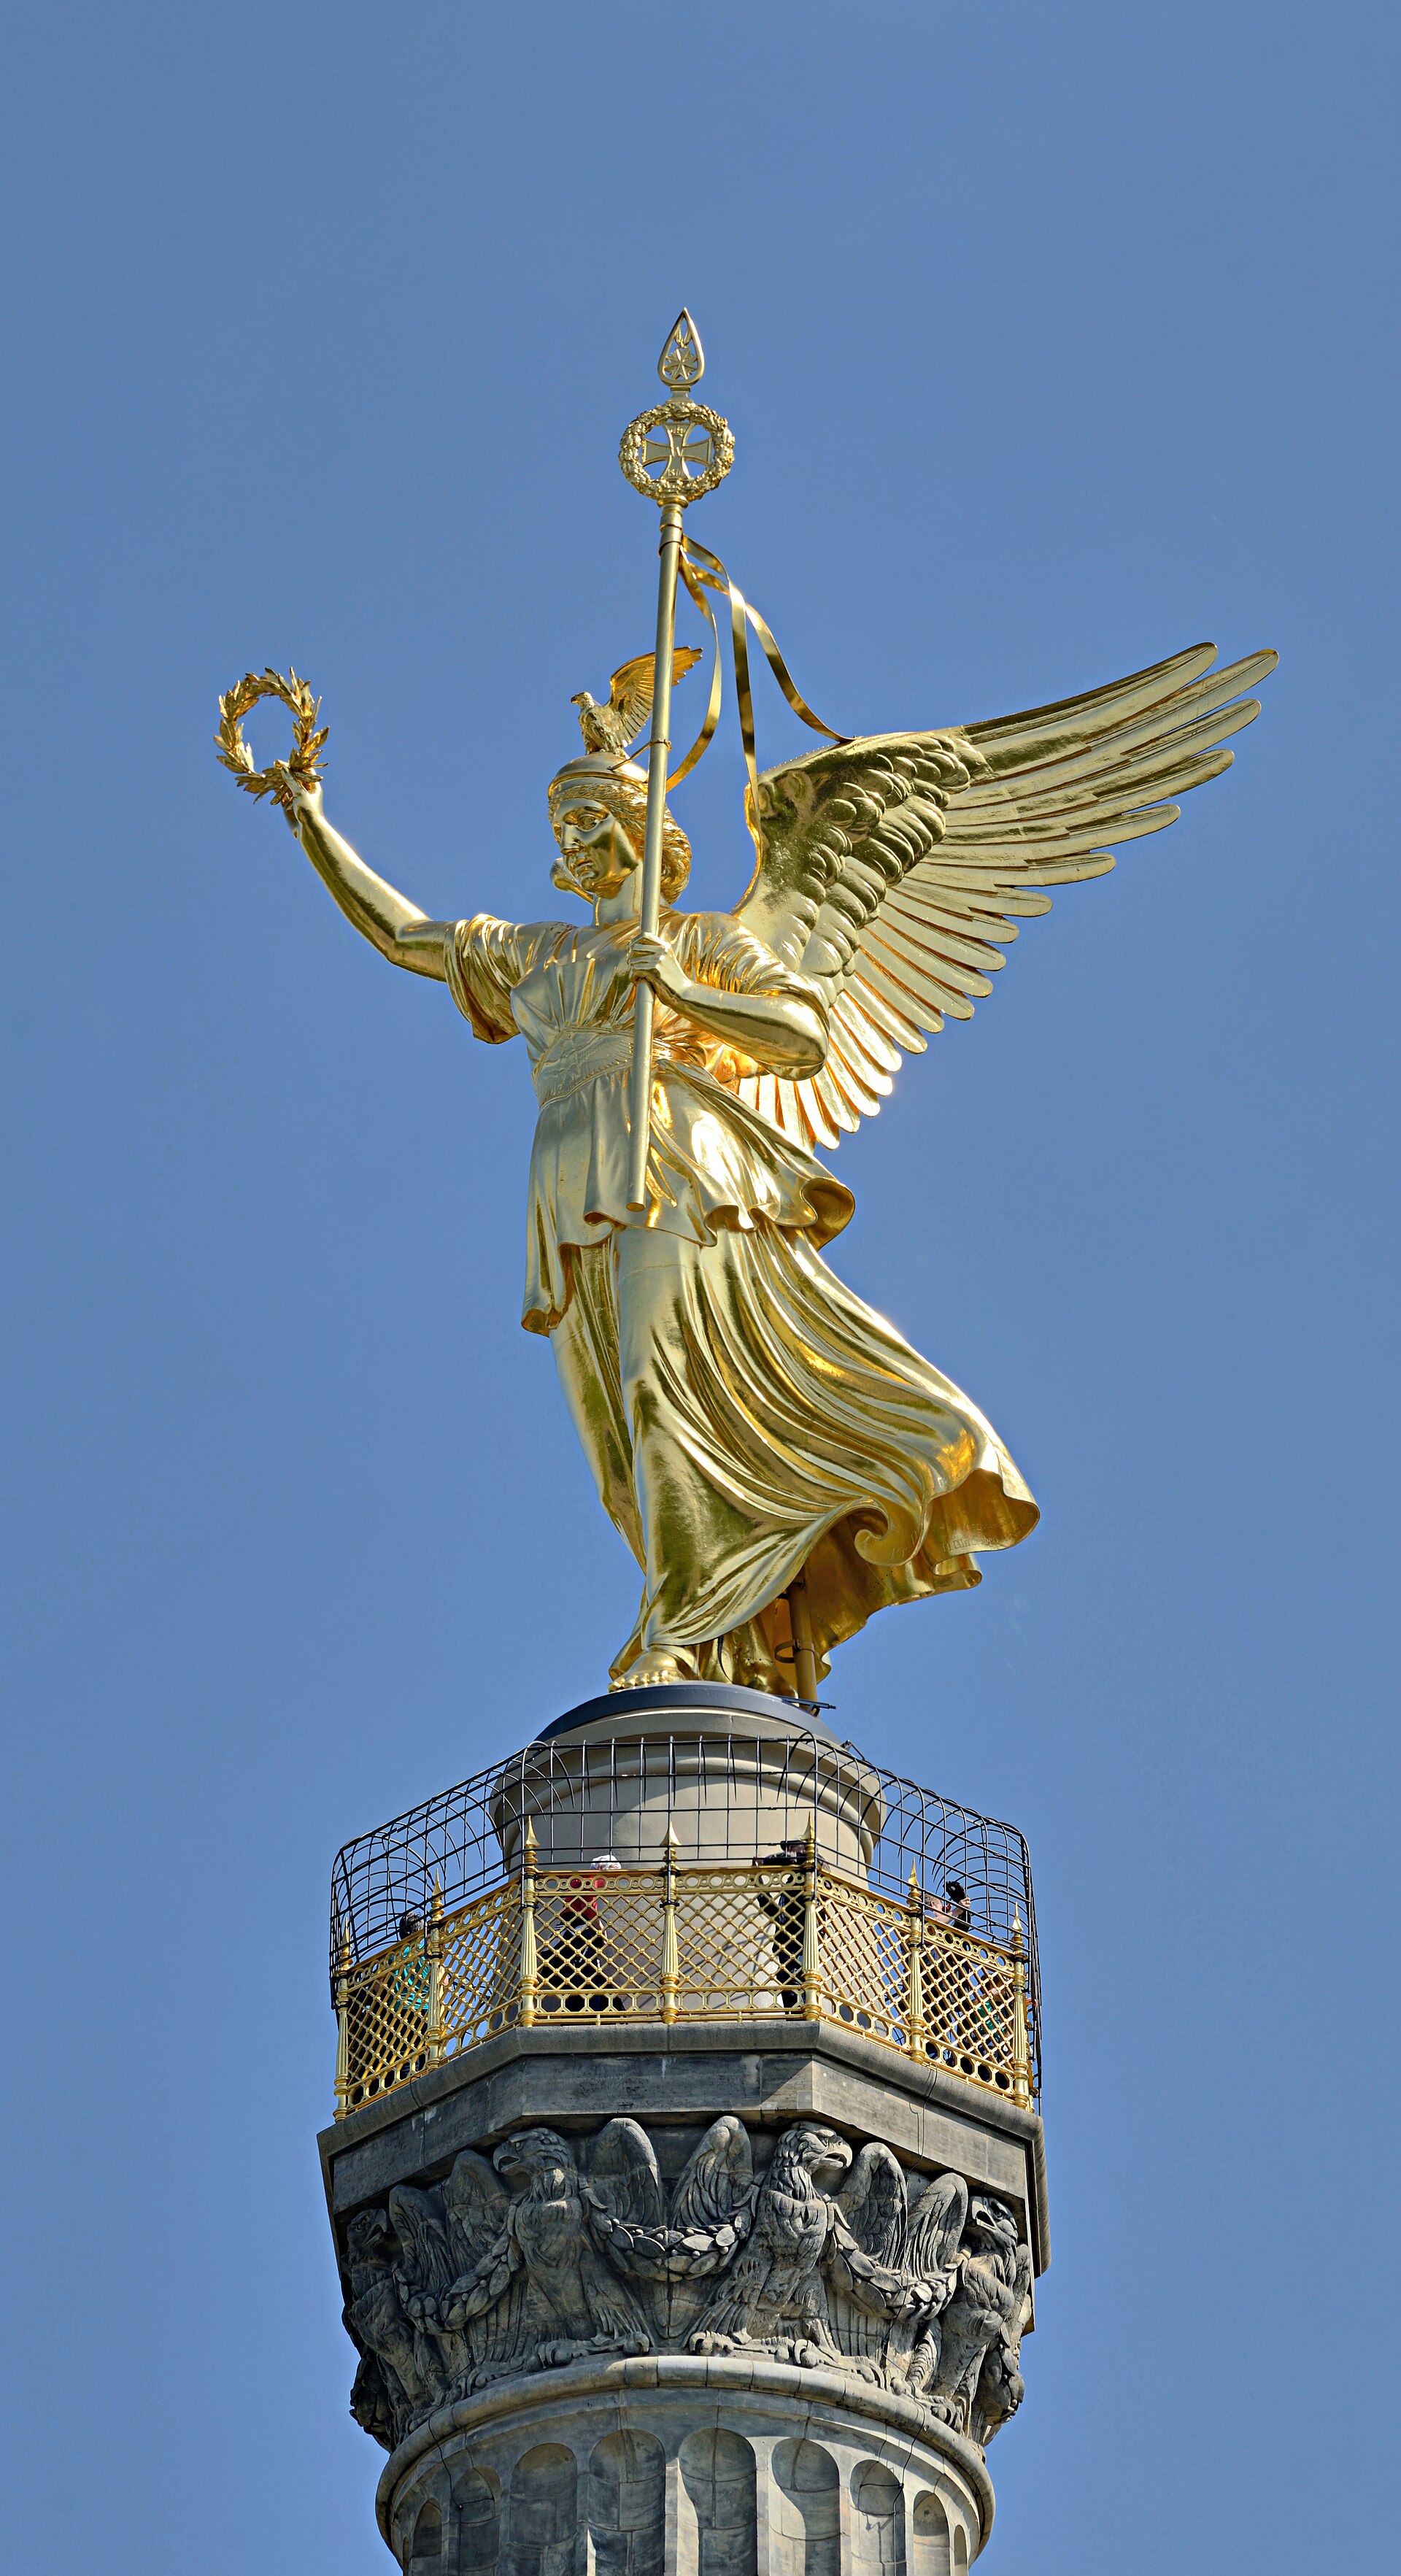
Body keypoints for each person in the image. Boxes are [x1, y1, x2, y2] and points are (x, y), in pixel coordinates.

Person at [282, 721, 1037, 1697]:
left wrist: (681, 989)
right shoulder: (536, 953)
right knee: (618, 1446)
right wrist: (308, 816)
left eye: (591, 814)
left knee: (660, 1387)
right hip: (569, 1184)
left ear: (642, 829)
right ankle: (729, 1632)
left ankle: (687, 1629)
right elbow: (402, 934)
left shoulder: (698, 941)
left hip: (675, 1162)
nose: (572, 837)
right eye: (563, 822)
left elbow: (800, 1037)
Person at [752, 1837, 811, 2010]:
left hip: (802, 1939)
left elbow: (799, 1859)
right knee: (788, 1980)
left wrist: (765, 1861)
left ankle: (800, 2012)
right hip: (787, 1941)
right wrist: (758, 1881)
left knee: (798, 1979)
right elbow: (773, 1910)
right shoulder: (792, 1883)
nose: (789, 1850)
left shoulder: (810, 1869)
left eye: (793, 1846)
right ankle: (794, 2014)